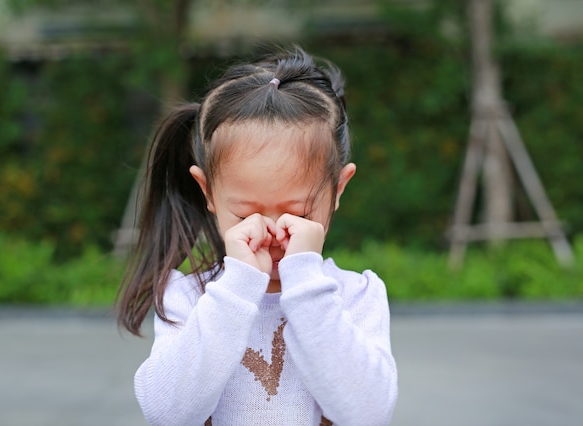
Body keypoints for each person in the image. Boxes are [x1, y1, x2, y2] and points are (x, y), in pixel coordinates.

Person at [117, 46, 398, 426]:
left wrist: (306, 287)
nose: (271, 233)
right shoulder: (189, 299)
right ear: (208, 192)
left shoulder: (355, 298)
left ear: (338, 189)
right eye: (246, 213)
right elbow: (167, 414)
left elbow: (368, 413)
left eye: (298, 213)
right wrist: (236, 288)